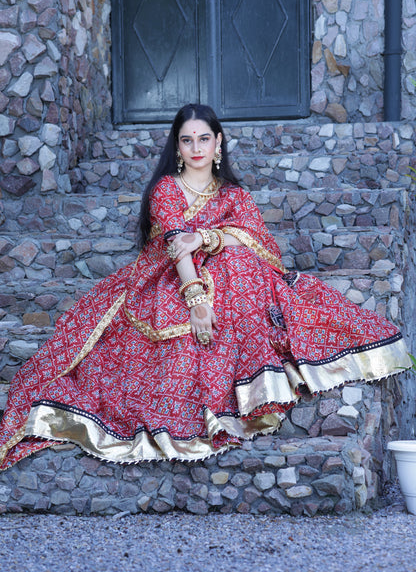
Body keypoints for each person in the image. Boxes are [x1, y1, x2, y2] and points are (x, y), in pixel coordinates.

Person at [0, 104, 411, 470]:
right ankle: (241, 384)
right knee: (231, 264)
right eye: (186, 140)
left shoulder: (233, 194)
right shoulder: (166, 189)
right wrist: (196, 299)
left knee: (239, 263)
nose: (196, 148)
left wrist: (207, 239)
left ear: (218, 143)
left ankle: (253, 375)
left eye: (204, 139)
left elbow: (253, 239)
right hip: (170, 281)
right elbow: (177, 246)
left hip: (231, 283)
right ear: (177, 148)